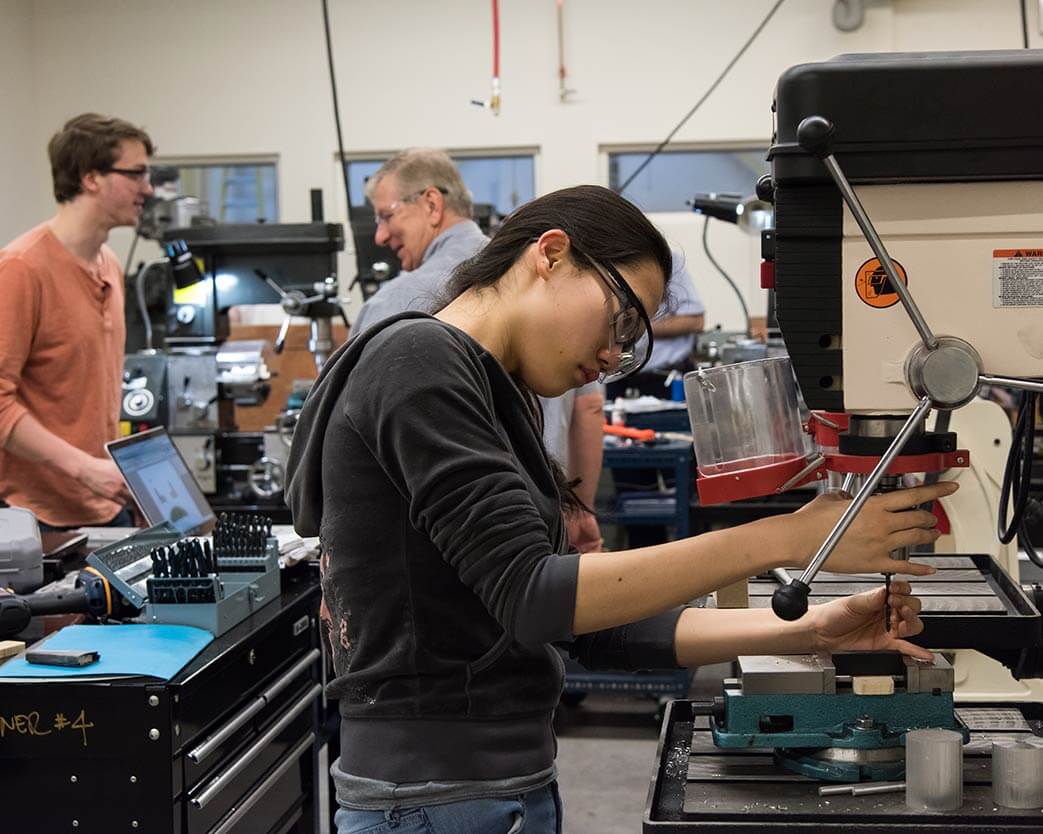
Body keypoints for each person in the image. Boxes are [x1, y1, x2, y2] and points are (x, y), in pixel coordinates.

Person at [286, 185, 955, 834]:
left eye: (632, 338)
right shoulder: (420, 361)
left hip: (486, 787)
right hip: (432, 798)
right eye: (622, 319)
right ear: (549, 253)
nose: (613, 356)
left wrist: (809, 631)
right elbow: (534, 597)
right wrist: (788, 536)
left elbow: (583, 626)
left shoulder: (499, 392)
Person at [351, 149, 603, 552]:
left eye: (385, 215)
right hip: (549, 529)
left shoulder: (391, 304)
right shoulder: (549, 288)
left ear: (431, 204)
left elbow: (353, 450)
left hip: (437, 554)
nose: (380, 235)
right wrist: (578, 509)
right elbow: (589, 409)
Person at [0, 113, 155, 529]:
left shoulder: (109, 265)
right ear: (91, 178)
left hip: (106, 506)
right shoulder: (21, 268)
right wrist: (84, 469)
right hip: (36, 520)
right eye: (136, 173)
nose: (148, 188)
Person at [605, 250, 704, 399]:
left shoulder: (665, 260)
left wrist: (630, 327)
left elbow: (695, 321)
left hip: (664, 380)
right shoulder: (601, 259)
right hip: (615, 380)